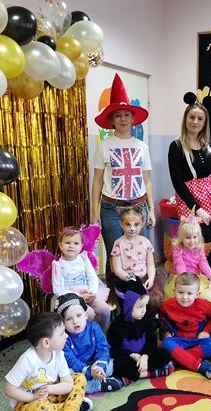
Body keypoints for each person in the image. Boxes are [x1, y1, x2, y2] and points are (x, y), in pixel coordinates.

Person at [91, 73, 155, 275]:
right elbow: (97, 181)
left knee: (141, 253)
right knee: (115, 256)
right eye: (118, 115)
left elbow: (147, 181)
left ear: (133, 118)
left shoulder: (142, 146)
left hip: (139, 206)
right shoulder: (104, 146)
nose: (123, 119)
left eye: (126, 114)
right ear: (111, 119)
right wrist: (94, 212)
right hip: (111, 208)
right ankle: (114, 294)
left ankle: (141, 293)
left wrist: (151, 210)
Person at [4, 312, 93, 411]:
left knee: (79, 378)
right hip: (28, 403)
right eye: (62, 333)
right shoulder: (27, 361)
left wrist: (49, 389)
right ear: (46, 342)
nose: (66, 336)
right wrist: (33, 397)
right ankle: (73, 407)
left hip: (52, 394)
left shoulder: (58, 353)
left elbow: (68, 384)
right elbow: (9, 390)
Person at [168, 94, 211, 270]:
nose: (195, 122)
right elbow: (177, 182)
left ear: (205, 122)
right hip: (190, 204)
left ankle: (205, 279)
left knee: (204, 245)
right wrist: (197, 209)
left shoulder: (209, 146)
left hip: (210, 202)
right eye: (192, 117)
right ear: (185, 119)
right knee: (202, 243)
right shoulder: (177, 146)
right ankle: (207, 279)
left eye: (200, 119)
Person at [54, 293, 125, 394]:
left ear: (86, 315)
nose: (75, 321)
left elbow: (103, 348)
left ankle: (88, 383)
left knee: (109, 366)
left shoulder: (94, 328)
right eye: (69, 319)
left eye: (79, 315)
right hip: (77, 368)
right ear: (62, 323)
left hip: (94, 363)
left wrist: (99, 367)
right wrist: (89, 372)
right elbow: (71, 360)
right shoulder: (64, 337)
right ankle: (98, 385)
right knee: (66, 375)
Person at [107, 279, 174, 382]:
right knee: (118, 364)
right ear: (127, 307)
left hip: (145, 357)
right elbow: (113, 349)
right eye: (139, 307)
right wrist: (131, 355)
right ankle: (150, 373)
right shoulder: (117, 326)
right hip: (129, 358)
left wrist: (145, 356)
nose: (144, 311)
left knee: (165, 354)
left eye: (145, 306)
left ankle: (135, 375)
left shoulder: (147, 321)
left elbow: (151, 342)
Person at [160, 272, 211, 379]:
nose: (184, 297)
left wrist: (206, 331)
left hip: (198, 340)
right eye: (180, 292)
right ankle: (199, 365)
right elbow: (162, 321)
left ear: (197, 294)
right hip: (178, 340)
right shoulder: (167, 305)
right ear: (174, 291)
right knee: (166, 343)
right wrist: (166, 331)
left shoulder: (205, 305)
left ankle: (177, 359)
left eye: (189, 293)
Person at [52, 226, 111, 332]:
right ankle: (84, 336)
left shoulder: (83, 258)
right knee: (89, 314)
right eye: (67, 243)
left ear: (81, 246)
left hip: (87, 292)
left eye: (76, 243)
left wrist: (92, 292)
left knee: (105, 310)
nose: (71, 246)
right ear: (60, 245)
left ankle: (100, 334)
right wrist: (79, 296)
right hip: (70, 296)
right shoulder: (58, 265)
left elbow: (92, 277)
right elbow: (58, 289)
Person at [110, 207, 164, 316]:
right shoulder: (118, 244)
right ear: (121, 225)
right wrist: (131, 279)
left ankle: (149, 320)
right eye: (128, 224)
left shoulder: (146, 242)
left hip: (144, 277)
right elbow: (117, 269)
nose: (132, 228)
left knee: (156, 299)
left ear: (142, 225)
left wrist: (151, 278)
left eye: (136, 224)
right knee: (134, 300)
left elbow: (150, 265)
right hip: (125, 279)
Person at [163, 218, 211, 308]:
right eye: (188, 238)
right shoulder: (177, 249)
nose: (192, 241)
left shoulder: (199, 249)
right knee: (179, 297)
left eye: (195, 237)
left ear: (199, 237)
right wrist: (185, 280)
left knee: (210, 296)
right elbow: (179, 264)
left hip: (197, 278)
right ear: (182, 238)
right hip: (181, 278)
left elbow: (203, 263)